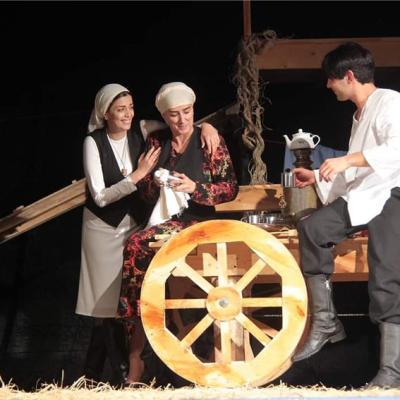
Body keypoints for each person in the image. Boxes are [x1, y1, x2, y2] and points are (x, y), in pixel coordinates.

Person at [75, 83, 220, 386]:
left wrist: (207, 126)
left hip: (134, 225)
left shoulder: (141, 130)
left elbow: (178, 121)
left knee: (128, 300)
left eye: (130, 107)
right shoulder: (94, 142)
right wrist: (138, 175)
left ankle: (119, 372)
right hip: (103, 228)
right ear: (105, 113)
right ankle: (98, 376)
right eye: (120, 110)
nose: (127, 114)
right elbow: (100, 196)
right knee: (104, 308)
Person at [291, 42, 400, 388]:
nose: (328, 85)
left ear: (349, 76)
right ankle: (326, 322)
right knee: (313, 229)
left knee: (385, 278)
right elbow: (356, 172)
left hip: (393, 196)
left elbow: (396, 149)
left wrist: (345, 161)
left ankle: (391, 373)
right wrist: (319, 177)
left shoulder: (390, 102)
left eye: (331, 79)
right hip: (366, 197)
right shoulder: (359, 115)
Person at [116, 82, 239, 384]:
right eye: (174, 114)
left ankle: (138, 356)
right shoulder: (157, 143)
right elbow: (146, 195)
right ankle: (137, 350)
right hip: (164, 221)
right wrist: (151, 179)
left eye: (187, 112)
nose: (182, 120)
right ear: (165, 116)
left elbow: (229, 189)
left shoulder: (209, 139)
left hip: (197, 222)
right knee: (135, 253)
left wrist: (195, 188)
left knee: (136, 244)